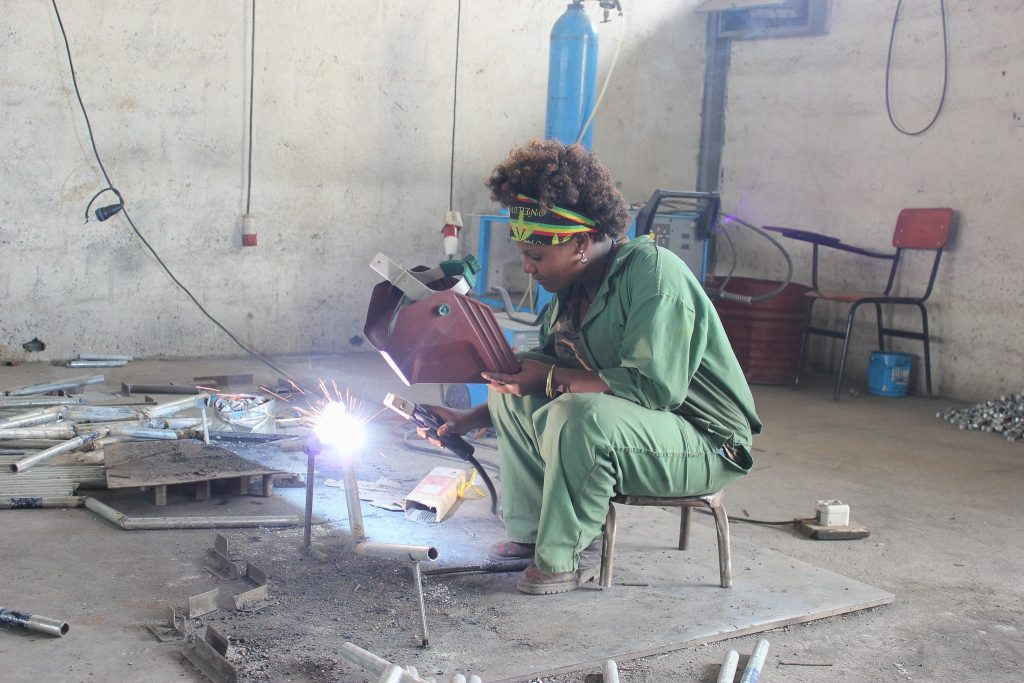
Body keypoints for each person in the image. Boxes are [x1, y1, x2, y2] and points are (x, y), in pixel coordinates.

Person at [422, 139, 761, 595]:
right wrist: (469, 420)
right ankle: (532, 535)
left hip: (703, 440)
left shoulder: (654, 273)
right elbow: (543, 369)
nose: (528, 268)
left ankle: (562, 558)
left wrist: (547, 379)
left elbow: (653, 389)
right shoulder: (575, 287)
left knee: (578, 414)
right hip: (644, 427)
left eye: (537, 257)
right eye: (524, 255)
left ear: (580, 242)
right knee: (513, 394)